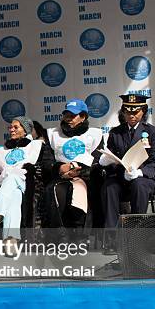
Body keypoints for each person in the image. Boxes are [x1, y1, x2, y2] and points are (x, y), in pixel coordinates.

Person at [0, 116, 54, 254]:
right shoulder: (3, 150)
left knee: (12, 179)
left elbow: (46, 167)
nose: (11, 129)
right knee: (14, 196)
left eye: (16, 127)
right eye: (10, 127)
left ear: (26, 130)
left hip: (30, 184)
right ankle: (11, 241)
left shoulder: (37, 146)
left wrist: (31, 170)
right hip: (10, 185)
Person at [100, 94, 155, 254]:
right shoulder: (115, 133)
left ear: (143, 111)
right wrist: (109, 163)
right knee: (110, 187)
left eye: (136, 112)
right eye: (128, 112)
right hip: (123, 177)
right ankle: (111, 239)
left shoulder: (153, 132)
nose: (132, 115)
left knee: (138, 185)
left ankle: (137, 236)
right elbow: (112, 159)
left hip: (146, 178)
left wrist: (140, 172)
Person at [43, 99, 103, 238]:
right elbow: (46, 162)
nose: (68, 119)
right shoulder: (53, 134)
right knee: (56, 190)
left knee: (81, 190)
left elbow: (98, 160)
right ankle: (59, 235)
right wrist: (60, 168)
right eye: (66, 115)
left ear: (83, 117)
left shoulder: (95, 134)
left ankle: (81, 235)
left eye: (73, 115)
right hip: (60, 177)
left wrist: (78, 171)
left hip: (86, 176)